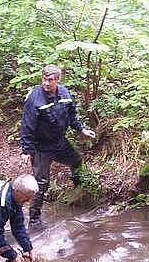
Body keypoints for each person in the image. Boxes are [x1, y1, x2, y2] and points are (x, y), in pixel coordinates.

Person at [21, 64, 96, 228]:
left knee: (76, 161)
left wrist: (81, 129)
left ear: (57, 80)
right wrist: (26, 150)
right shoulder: (35, 97)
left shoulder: (64, 93)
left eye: (50, 80)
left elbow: (72, 114)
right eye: (44, 79)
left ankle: (79, 191)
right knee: (41, 183)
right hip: (41, 147)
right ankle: (34, 220)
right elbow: (27, 124)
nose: (46, 83)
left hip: (59, 142)